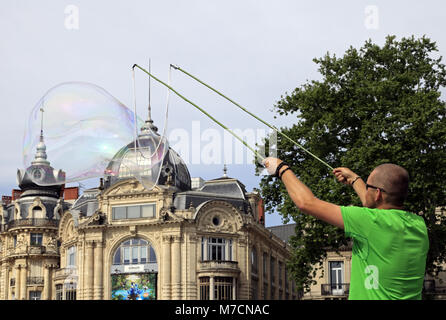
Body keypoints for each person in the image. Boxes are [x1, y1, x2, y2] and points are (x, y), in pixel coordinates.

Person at [262, 157, 429, 300]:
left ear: (378, 193)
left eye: (368, 186)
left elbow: (306, 203)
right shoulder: (419, 225)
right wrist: (355, 179)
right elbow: (372, 202)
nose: (366, 188)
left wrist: (281, 168)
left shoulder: (370, 222)